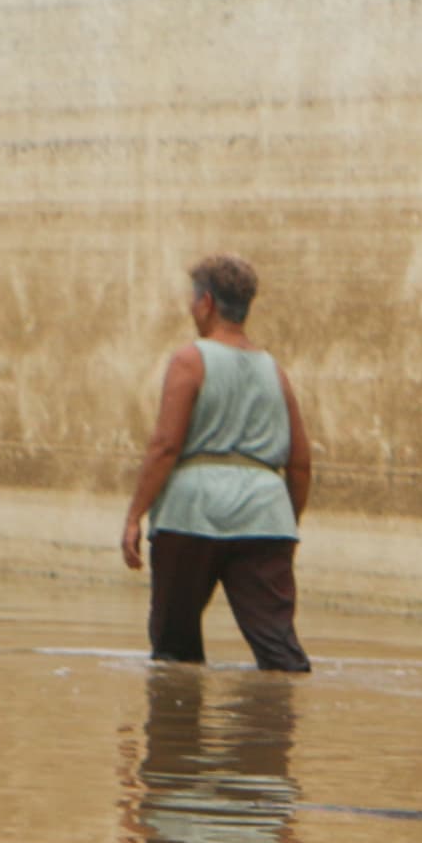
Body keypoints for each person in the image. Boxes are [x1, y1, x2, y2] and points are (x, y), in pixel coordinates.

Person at [122, 255, 313, 672]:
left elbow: (165, 445)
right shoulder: (275, 372)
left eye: (193, 301)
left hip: (191, 516)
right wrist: (284, 523)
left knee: (175, 653)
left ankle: (176, 735)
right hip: (266, 517)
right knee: (281, 656)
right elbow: (300, 464)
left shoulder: (190, 360)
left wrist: (135, 514)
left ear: (206, 302)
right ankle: (279, 733)